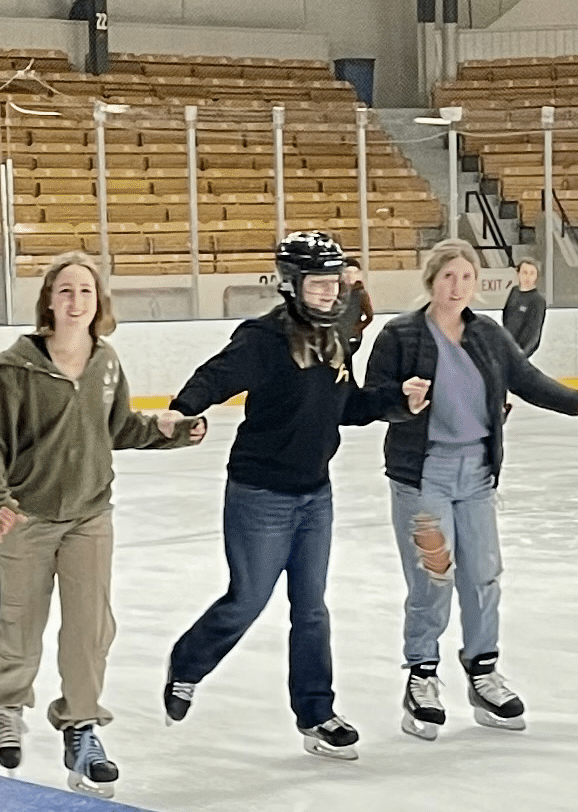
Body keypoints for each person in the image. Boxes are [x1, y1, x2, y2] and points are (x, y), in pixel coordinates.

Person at [159, 232, 422, 761]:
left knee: (312, 609)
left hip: (314, 495)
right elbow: (215, 375)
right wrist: (183, 407)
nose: (329, 294)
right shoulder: (265, 339)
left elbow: (343, 406)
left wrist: (397, 400)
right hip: (260, 494)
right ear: (291, 284)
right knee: (248, 599)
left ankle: (316, 714)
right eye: (318, 285)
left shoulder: (337, 338)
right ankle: (188, 662)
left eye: (333, 284)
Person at [0, 251, 205, 798]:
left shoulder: (106, 363)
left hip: (90, 515)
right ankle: (8, 706)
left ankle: (81, 726)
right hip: (24, 517)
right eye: (66, 291)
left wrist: (167, 432)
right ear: (49, 300)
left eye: (86, 292)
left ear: (100, 303)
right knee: (20, 627)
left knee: (89, 631)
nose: (76, 301)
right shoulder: (15, 368)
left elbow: (116, 427)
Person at [364, 239, 578, 742]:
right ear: (431, 280)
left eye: (466, 278)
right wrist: (400, 399)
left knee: (481, 576)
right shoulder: (401, 335)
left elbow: (526, 378)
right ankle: (422, 678)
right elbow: (371, 399)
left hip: (476, 476)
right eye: (448, 277)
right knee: (432, 579)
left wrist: (577, 401)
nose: (457, 287)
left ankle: (483, 673)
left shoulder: (488, 335)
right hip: (423, 476)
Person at [501, 257, 547, 358]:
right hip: (507, 348)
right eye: (525, 272)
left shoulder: (538, 300)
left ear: (536, 276)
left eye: (532, 273)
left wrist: (522, 353)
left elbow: (535, 332)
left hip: (521, 352)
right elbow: (506, 316)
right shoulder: (514, 291)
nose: (528, 277)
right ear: (518, 274)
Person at [339, 256, 374, 353]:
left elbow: (369, 316)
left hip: (352, 337)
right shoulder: (335, 291)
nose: (351, 276)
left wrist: (357, 328)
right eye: (347, 272)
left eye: (355, 273)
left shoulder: (360, 293)